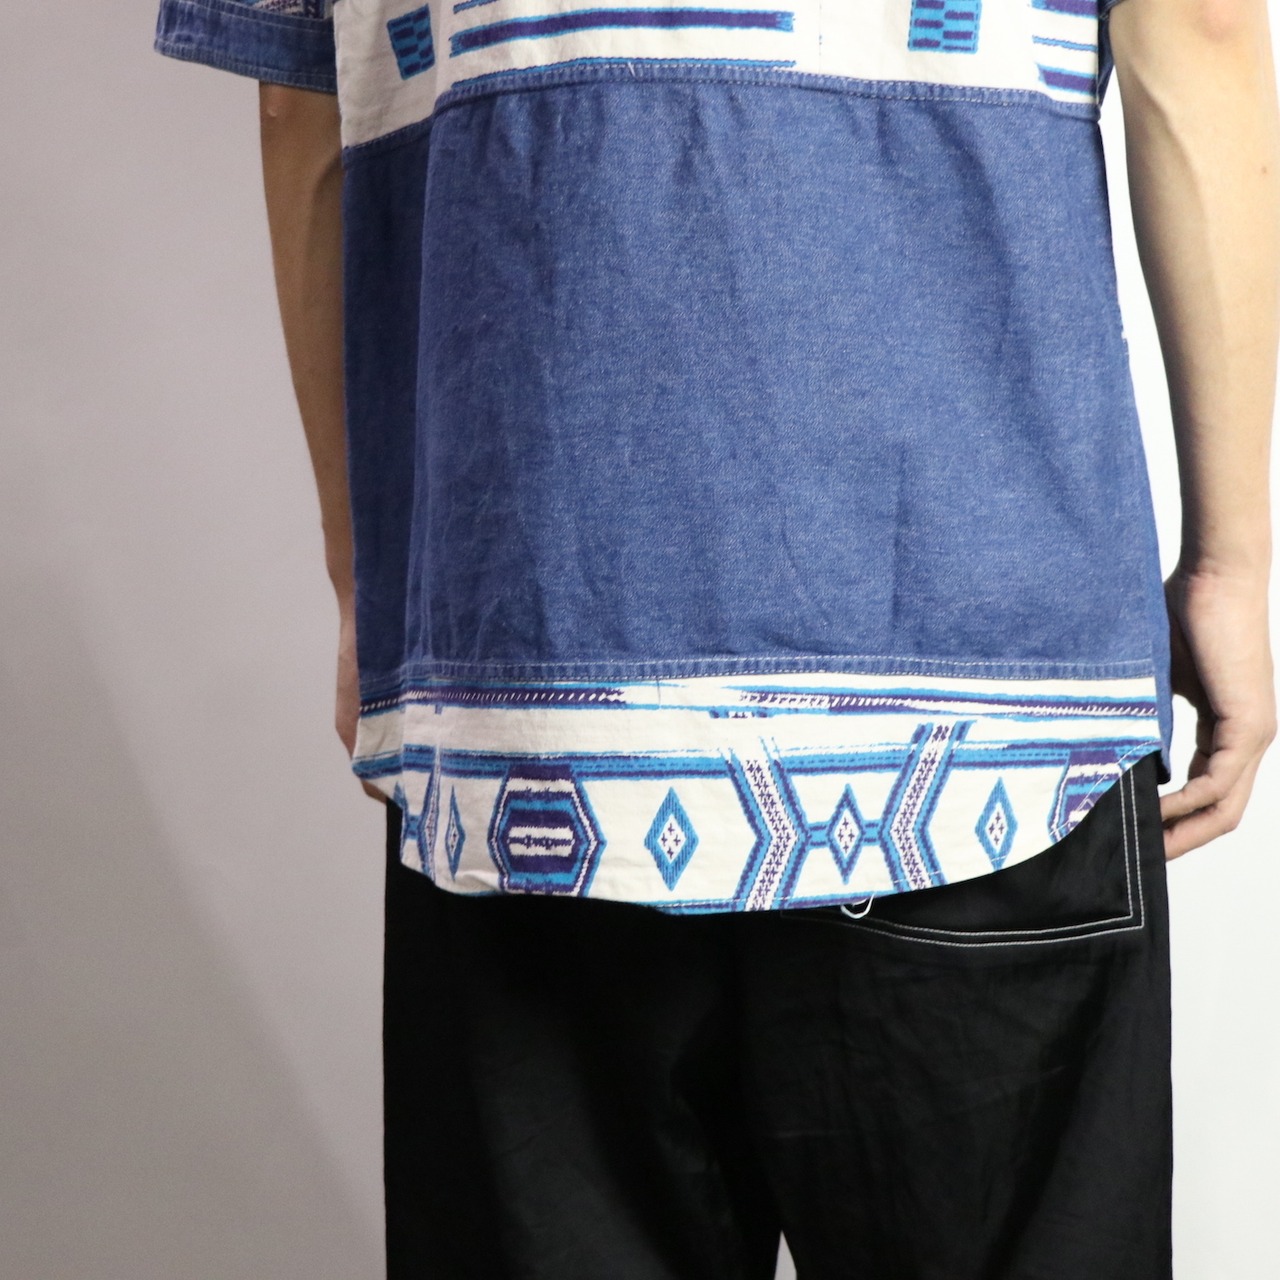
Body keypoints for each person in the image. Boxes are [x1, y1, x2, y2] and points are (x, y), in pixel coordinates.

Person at [154, 0, 1278, 1275]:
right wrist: (1229, 565)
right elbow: (1197, 25)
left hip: (528, 711)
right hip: (976, 716)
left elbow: (303, 103)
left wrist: (367, 580)